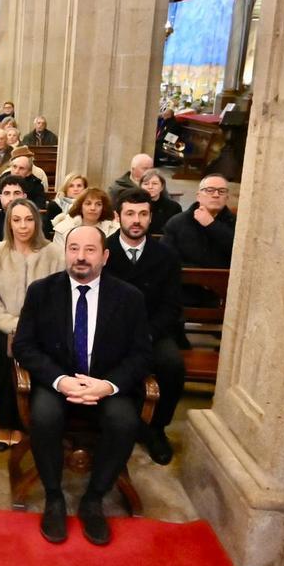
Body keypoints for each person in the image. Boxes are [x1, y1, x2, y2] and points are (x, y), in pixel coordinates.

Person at [12, 225, 153, 546]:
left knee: (124, 420)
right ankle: (54, 496)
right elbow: (23, 345)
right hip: (57, 382)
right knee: (44, 416)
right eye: (74, 248)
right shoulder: (42, 291)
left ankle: (94, 498)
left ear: (105, 256)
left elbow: (143, 354)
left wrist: (108, 385)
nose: (80, 257)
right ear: (65, 253)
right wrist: (60, 381)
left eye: (90, 250)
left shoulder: (129, 298)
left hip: (105, 383)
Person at [0, 198, 65, 450]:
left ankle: (31, 421)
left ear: (37, 222)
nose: (23, 226)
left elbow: (59, 299)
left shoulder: (55, 254)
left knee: (39, 353)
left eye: (28, 220)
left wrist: (31, 328)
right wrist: (13, 325)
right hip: (1, 325)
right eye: (16, 220)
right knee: (5, 354)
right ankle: (6, 422)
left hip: (43, 327)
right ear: (9, 223)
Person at [107, 189, 185, 466]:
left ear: (151, 218)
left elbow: (171, 305)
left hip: (152, 330)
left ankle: (156, 428)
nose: (136, 220)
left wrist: (148, 333)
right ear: (117, 216)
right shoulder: (104, 250)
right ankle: (111, 423)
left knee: (172, 365)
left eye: (143, 214)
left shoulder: (166, 255)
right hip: (111, 331)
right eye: (129, 213)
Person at [163, 173, 235, 268]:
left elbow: (239, 252)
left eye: (222, 191)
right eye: (210, 190)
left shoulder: (237, 223)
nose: (216, 195)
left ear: (227, 197)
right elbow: (167, 257)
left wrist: (212, 225)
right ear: (198, 196)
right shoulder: (177, 222)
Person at [51, 188, 119, 246]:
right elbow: (58, 255)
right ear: (80, 207)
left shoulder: (114, 230)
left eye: (98, 204)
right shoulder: (64, 229)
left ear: (104, 208)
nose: (93, 208)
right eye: (88, 204)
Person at [139, 169, 182, 236]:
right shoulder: (134, 205)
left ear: (162, 187)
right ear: (140, 187)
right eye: (146, 184)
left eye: (155, 183)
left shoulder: (174, 207)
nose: (150, 187)